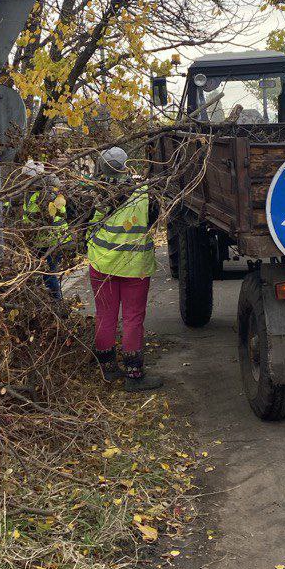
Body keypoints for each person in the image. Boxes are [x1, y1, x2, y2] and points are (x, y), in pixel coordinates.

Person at [86, 146, 163, 392]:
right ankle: (134, 375)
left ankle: (107, 371)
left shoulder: (93, 192)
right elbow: (153, 220)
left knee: (105, 315)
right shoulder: (144, 193)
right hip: (135, 267)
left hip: (102, 263)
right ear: (127, 166)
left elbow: (80, 222)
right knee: (132, 318)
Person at [21, 160, 69, 301]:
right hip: (43, 240)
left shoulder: (45, 194)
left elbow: (48, 219)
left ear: (32, 177)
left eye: (25, 178)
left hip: (50, 240)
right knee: (46, 272)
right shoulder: (34, 192)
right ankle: (52, 300)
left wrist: (32, 228)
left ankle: (56, 302)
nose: (23, 181)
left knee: (48, 273)